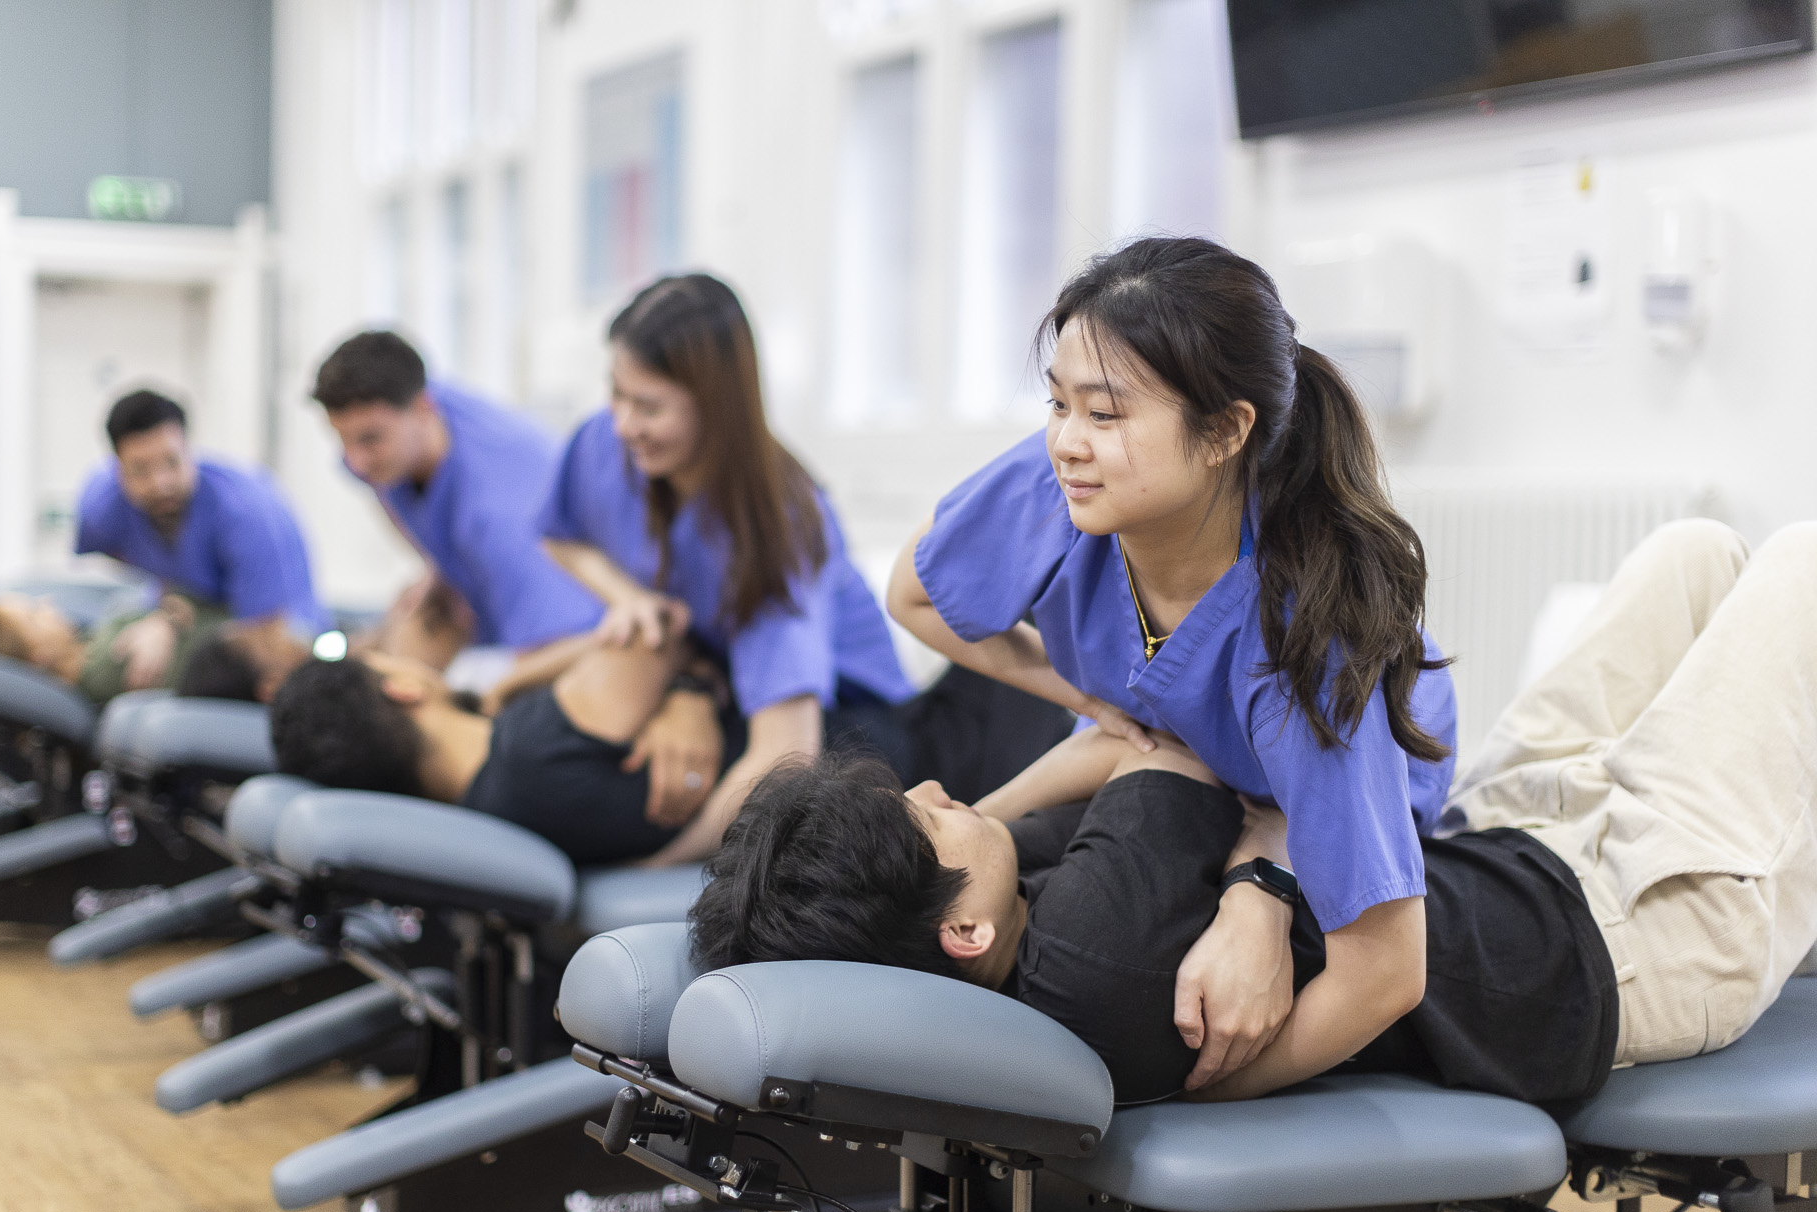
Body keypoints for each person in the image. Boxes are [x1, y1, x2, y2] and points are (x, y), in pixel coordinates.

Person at [693, 518, 1817, 1107]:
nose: (938, 793)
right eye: (928, 820)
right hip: (1623, 940)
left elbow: (1136, 753)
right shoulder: (1088, 944)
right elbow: (1176, 745)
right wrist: (1252, 871)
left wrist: (965, 819)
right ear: (959, 932)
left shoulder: (1015, 929)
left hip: (1492, 849)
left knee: (1694, 556)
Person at [883, 237, 1455, 1093]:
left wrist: (1199, 1103)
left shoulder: (1302, 641)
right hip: (1173, 769)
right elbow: (915, 596)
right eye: (1057, 405)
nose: (1067, 442)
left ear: (1225, 430)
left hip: (1318, 798)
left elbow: (1387, 975)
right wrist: (1081, 693)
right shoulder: (1068, 488)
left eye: (1105, 415)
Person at [540, 274, 1073, 866]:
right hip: (750, 703)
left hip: (857, 737)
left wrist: (653, 873)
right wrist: (628, 598)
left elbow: (783, 753)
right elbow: (562, 539)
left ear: (715, 406)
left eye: (649, 406)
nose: (623, 424)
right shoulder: (604, 447)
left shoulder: (779, 524)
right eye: (615, 394)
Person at [267, 639, 729, 865]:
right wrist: (690, 692)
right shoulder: (534, 742)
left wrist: (508, 683)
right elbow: (660, 624)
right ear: (403, 689)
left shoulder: (484, 811)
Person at [310, 330, 605, 681]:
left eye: (370, 440)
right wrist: (439, 569)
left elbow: (564, 654)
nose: (355, 462)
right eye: (343, 441)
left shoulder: (496, 514)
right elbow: (381, 487)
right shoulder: (400, 426)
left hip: (583, 638)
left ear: (423, 408)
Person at [75, 389, 330, 690]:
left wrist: (173, 621)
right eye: (140, 470)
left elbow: (272, 640)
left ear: (188, 450)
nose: (160, 483)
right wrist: (169, 610)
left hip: (277, 632)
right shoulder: (101, 508)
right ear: (117, 468)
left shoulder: (249, 513)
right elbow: (122, 556)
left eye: (171, 462)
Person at [0, 592, 299, 703]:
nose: (48, 603)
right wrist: (173, 614)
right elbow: (233, 659)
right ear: (40, 656)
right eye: (35, 614)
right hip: (278, 663)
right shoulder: (110, 665)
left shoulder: (99, 653)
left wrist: (167, 614)